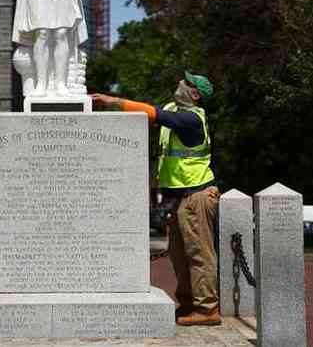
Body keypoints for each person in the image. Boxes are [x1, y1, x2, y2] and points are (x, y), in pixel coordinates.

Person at [91, 71, 221, 326]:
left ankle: (207, 310)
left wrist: (111, 101)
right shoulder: (176, 110)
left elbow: (155, 114)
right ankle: (188, 305)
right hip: (180, 197)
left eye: (185, 82)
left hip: (196, 195)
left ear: (194, 94)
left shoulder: (191, 119)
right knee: (179, 254)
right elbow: (150, 114)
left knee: (198, 254)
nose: (179, 82)